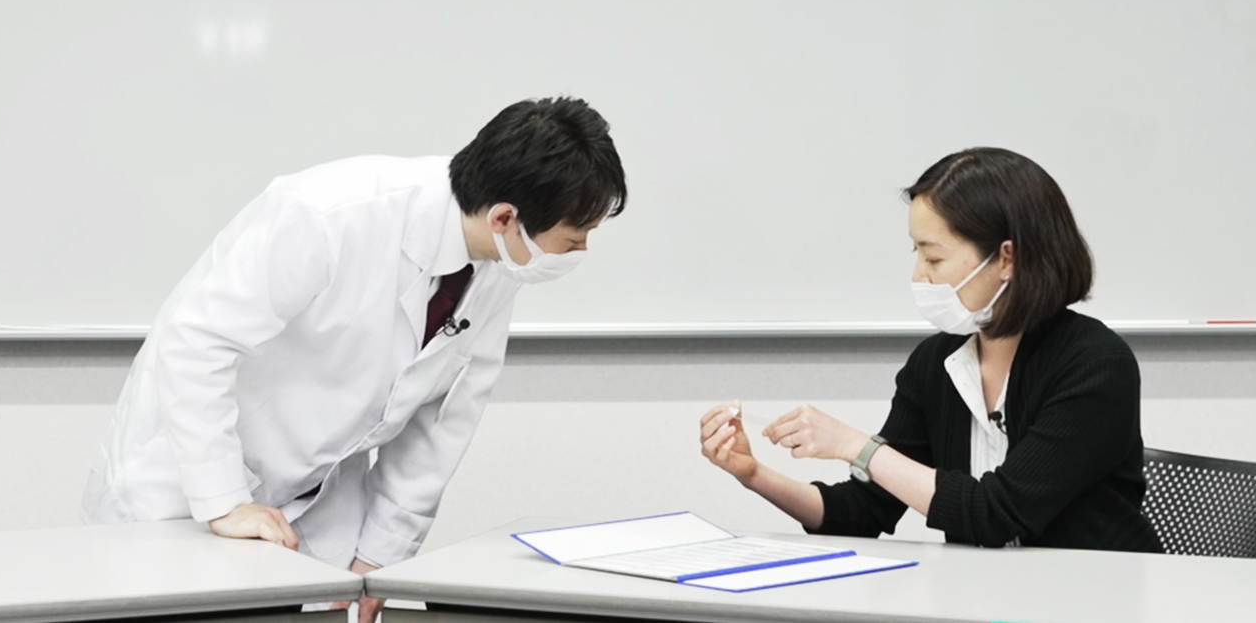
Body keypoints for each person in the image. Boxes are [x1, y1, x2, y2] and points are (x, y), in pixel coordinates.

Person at [84, 96, 627, 621]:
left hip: (318, 499)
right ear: (506, 217)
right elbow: (197, 341)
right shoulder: (329, 214)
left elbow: (443, 416)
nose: (580, 253)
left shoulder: (499, 263)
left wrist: (381, 553)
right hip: (187, 488)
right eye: (574, 239)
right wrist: (223, 501)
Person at [699, 147, 1159, 553]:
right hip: (985, 600)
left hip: (1093, 601)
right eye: (916, 253)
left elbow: (995, 514)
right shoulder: (936, 363)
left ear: (1007, 258)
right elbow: (864, 511)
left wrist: (856, 446)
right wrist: (754, 474)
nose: (920, 275)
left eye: (934, 257)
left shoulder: (1096, 365)